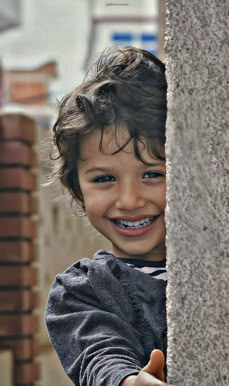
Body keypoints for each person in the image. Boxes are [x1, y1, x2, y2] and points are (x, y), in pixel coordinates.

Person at [45, 45, 175, 386]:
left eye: (152, 174)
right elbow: (98, 353)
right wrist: (128, 380)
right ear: (78, 190)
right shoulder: (82, 292)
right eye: (105, 179)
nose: (129, 200)